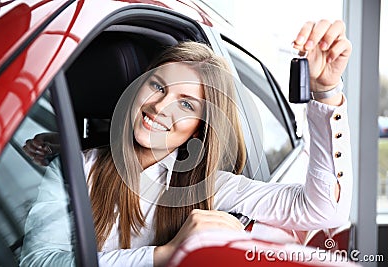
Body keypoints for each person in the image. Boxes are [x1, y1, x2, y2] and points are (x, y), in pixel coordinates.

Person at [21, 19, 353, 267]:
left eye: (186, 104)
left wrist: (325, 93)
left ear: (197, 129)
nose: (159, 107)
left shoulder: (209, 187)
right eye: (157, 86)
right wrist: (163, 255)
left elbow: (323, 209)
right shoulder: (77, 166)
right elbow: (37, 261)